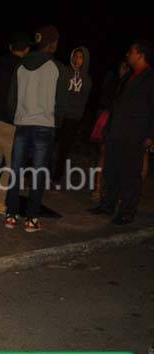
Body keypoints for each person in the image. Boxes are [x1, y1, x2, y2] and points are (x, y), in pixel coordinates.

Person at [4, 25, 69, 232]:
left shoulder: (20, 66)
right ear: (52, 43)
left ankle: (11, 215)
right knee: (38, 174)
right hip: (44, 126)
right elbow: (61, 104)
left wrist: (17, 117)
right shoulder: (58, 68)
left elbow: (11, 100)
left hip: (22, 124)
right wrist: (56, 124)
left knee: (16, 170)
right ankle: (31, 220)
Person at [89, 40, 154, 224]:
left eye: (131, 52)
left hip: (135, 134)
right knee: (112, 171)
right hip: (116, 132)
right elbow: (118, 103)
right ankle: (107, 205)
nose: (127, 54)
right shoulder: (129, 75)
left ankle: (126, 212)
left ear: (140, 55)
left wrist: (150, 136)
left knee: (130, 175)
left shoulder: (150, 78)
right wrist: (108, 128)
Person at [0, 32, 31, 214]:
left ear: (11, 47)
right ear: (26, 50)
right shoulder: (23, 69)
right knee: (11, 164)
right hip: (10, 122)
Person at [91, 60, 129, 201]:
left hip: (122, 124)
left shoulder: (132, 84)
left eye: (126, 68)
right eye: (122, 67)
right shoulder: (112, 80)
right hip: (108, 120)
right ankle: (97, 188)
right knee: (103, 154)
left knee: (118, 159)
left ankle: (114, 192)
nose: (123, 70)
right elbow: (104, 101)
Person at [52, 47, 92, 182]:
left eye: (80, 57)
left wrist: (78, 115)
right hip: (58, 114)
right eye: (75, 56)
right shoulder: (64, 72)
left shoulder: (87, 80)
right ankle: (40, 174)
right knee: (50, 145)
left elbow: (84, 101)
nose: (77, 60)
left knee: (64, 149)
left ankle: (56, 178)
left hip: (72, 118)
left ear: (85, 60)